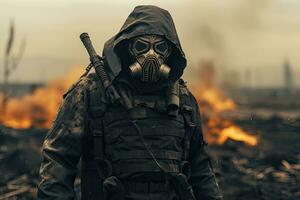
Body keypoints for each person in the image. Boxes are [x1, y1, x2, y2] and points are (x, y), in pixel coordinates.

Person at [38, 5, 222, 200]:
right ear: (127, 49)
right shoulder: (91, 93)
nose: (151, 56)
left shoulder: (184, 102)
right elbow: (58, 160)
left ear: (170, 53)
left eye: (160, 48)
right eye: (141, 46)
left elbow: (201, 170)